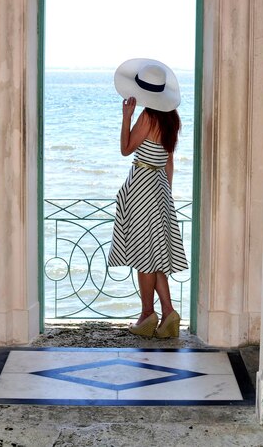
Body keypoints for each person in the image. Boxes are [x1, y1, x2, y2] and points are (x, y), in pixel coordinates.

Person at [108, 58, 188, 338]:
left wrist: (126, 116)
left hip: (142, 186)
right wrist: (164, 196)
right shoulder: (171, 121)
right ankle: (168, 313)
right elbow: (169, 163)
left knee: (144, 258)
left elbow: (126, 149)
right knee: (154, 257)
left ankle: (146, 316)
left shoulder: (147, 116)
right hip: (160, 190)